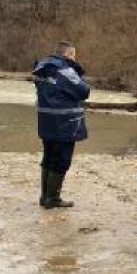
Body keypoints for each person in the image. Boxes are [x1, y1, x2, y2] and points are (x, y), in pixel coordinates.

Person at [31, 41, 90, 209]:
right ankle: (53, 198)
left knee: (49, 157)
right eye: (74, 55)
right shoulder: (66, 70)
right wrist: (77, 71)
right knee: (61, 160)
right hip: (65, 122)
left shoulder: (42, 68)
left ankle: (45, 196)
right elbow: (84, 91)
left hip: (46, 120)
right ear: (68, 54)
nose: (75, 58)